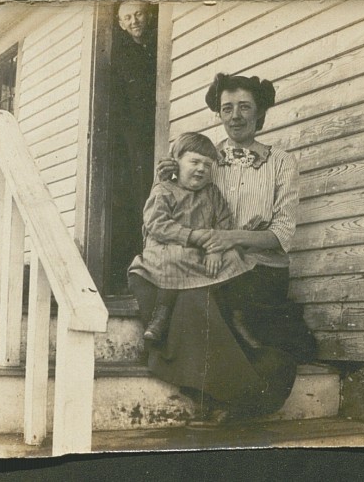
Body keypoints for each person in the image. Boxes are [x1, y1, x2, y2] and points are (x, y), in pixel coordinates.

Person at [129, 73, 313, 426]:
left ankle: (240, 392)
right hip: (207, 259)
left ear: (260, 113)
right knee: (172, 286)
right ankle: (218, 389)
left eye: (245, 107)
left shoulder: (281, 163)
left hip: (260, 265)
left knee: (197, 297)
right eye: (227, 108)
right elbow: (175, 205)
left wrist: (231, 239)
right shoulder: (205, 157)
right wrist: (164, 180)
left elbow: (282, 235)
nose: (235, 115)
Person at [129, 132, 255, 342]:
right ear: (176, 163)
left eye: (207, 165)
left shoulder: (212, 193)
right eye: (194, 162)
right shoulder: (164, 190)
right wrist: (192, 236)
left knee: (234, 256)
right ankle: (161, 313)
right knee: (173, 258)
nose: (201, 169)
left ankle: (235, 316)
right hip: (167, 246)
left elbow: (224, 222)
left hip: (202, 250)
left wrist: (215, 250)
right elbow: (156, 224)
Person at [108, 1, 158, 293]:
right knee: (139, 198)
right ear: (121, 24)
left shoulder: (156, 46)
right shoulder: (121, 54)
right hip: (134, 139)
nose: (134, 20)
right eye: (127, 17)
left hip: (157, 130)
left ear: (148, 15)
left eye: (138, 14)